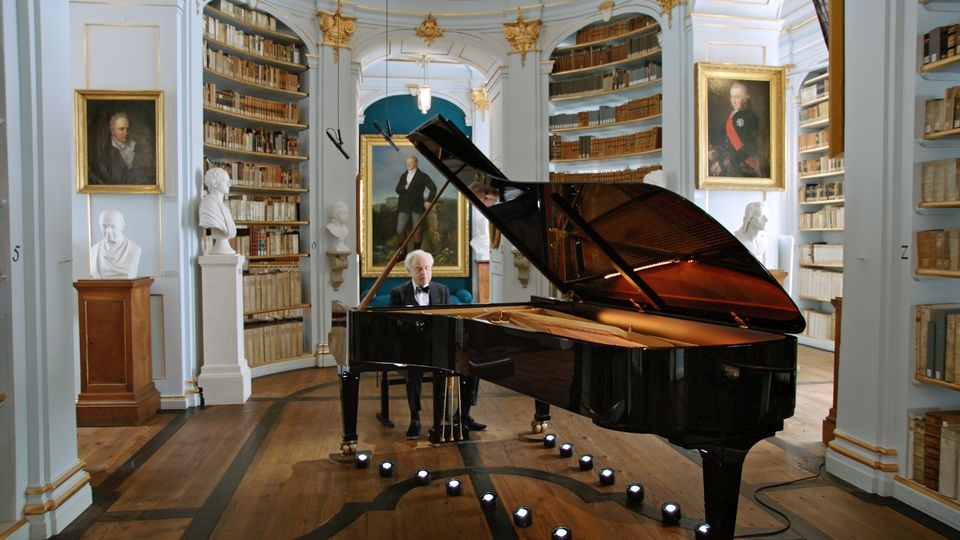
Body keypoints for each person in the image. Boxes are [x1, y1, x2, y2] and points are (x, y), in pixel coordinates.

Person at [390, 249, 485, 439]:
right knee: (413, 371)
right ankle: (415, 418)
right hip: (413, 347)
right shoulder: (398, 293)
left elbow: (450, 320)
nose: (423, 272)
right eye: (418, 269)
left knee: (473, 364)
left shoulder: (442, 290)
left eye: (427, 268)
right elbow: (395, 326)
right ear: (409, 271)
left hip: (440, 346)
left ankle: (463, 414)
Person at [709, 81, 761, 178]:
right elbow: (729, 144)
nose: (734, 101)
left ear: (746, 98)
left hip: (744, 167)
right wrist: (717, 152)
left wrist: (724, 163)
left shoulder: (748, 117)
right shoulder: (734, 114)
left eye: (737, 97)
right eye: (732, 97)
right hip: (734, 165)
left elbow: (746, 149)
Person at [89, 111, 156, 185]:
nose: (126, 132)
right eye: (121, 129)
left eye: (127, 129)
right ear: (112, 130)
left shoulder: (135, 146)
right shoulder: (105, 151)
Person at [394, 156, 437, 251]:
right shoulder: (403, 176)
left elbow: (433, 188)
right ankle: (402, 253)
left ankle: (416, 252)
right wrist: (404, 187)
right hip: (404, 206)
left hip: (417, 206)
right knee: (399, 230)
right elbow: (397, 190)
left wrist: (428, 200)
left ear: (416, 163)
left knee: (417, 230)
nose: (408, 164)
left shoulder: (423, 176)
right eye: (407, 162)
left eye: (410, 162)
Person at [90, 209, 142, 279]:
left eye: (113, 226)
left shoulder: (134, 250)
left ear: (122, 226)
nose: (108, 231)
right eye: (104, 226)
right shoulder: (94, 250)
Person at [199, 167, 237, 254]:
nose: (229, 184)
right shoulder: (208, 204)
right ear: (214, 182)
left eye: (229, 181)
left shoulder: (224, 206)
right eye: (225, 181)